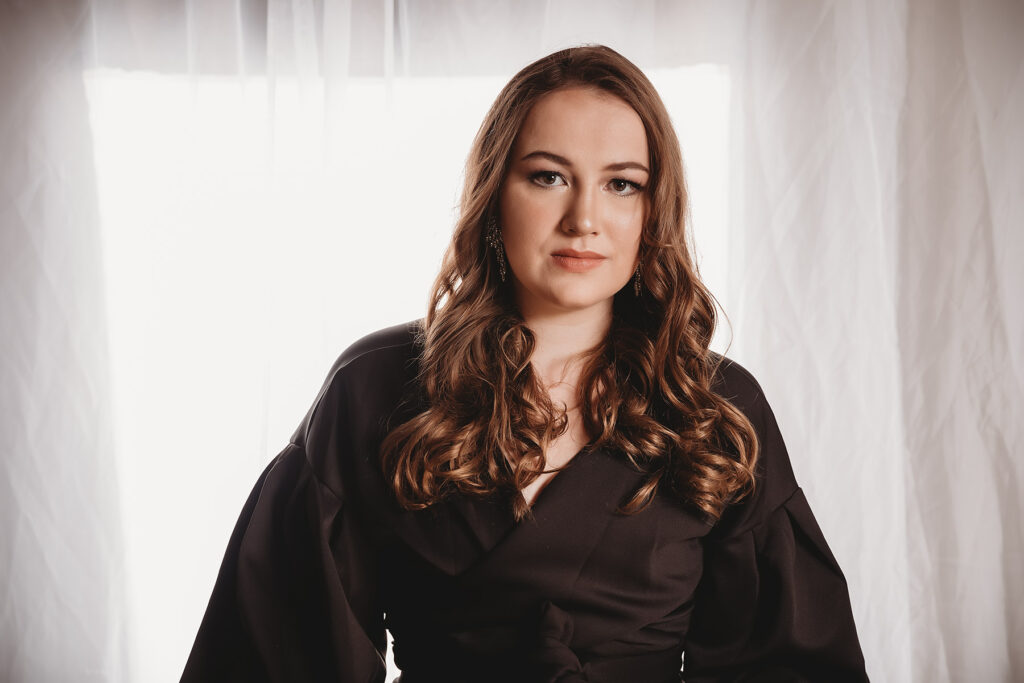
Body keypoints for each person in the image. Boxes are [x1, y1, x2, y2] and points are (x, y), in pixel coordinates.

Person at [181, 45, 868, 683]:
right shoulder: (372, 388)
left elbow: (791, 665)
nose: (584, 218)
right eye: (548, 177)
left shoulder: (715, 405)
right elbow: (274, 653)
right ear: (493, 193)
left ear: (653, 211)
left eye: (622, 184)